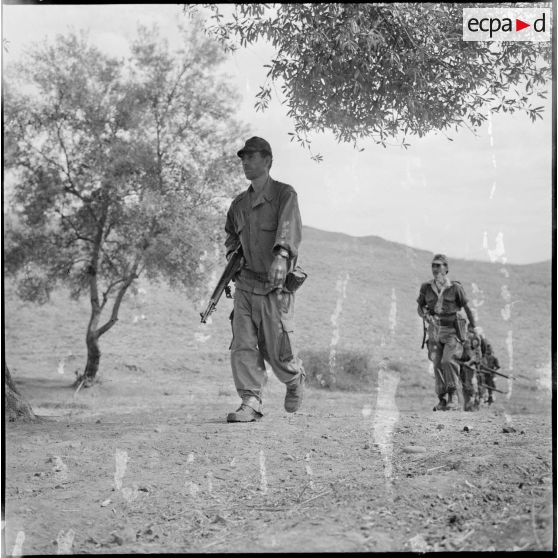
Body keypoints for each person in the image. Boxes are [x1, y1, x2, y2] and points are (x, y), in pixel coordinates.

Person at [224, 137, 306, 422]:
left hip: (275, 286)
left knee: (277, 350)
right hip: (246, 284)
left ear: (267, 160)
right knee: (243, 343)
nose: (245, 162)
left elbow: (288, 227)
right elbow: (231, 237)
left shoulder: (285, 194)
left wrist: (282, 256)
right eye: (243, 158)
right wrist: (232, 260)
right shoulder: (238, 204)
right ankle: (250, 400)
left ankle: (294, 381)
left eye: (251, 157)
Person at [417, 254, 481, 411]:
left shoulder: (455, 288)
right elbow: (420, 306)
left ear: (447, 268)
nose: (436, 269)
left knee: (448, 361)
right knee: (437, 364)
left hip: (452, 330)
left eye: (440, 265)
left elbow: (466, 308)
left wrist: (474, 328)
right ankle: (442, 399)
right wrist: (425, 315)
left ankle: (453, 397)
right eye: (434, 265)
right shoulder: (426, 287)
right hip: (434, 331)